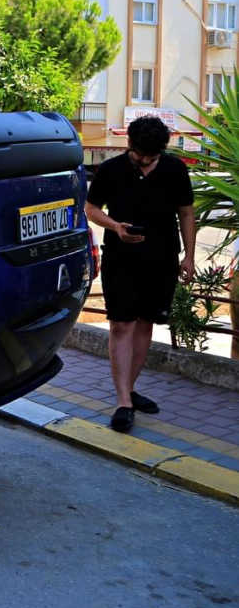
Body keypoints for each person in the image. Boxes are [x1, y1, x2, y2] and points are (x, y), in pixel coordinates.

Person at [85, 115, 195, 433]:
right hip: (120, 258)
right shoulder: (110, 170)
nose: (145, 160)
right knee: (121, 324)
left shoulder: (175, 169)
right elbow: (91, 209)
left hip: (161, 259)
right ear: (129, 144)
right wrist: (115, 227)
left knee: (146, 323)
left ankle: (129, 391)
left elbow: (186, 213)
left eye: (152, 156)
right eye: (139, 154)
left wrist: (188, 255)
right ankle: (123, 402)